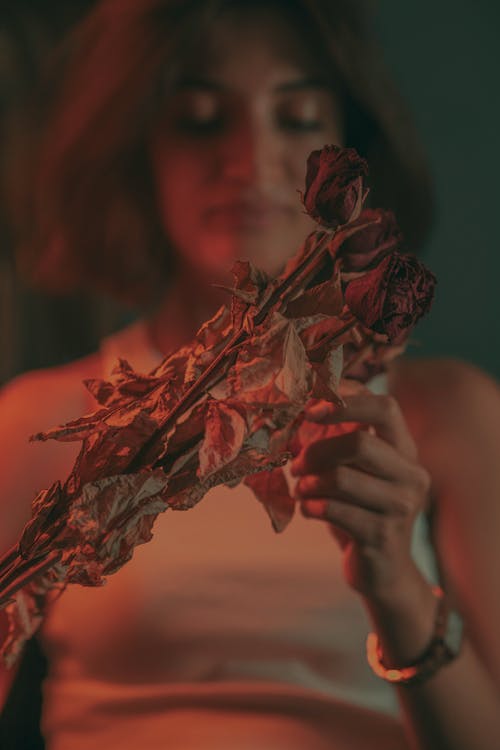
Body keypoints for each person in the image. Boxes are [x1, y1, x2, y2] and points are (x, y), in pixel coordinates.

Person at [1, 1, 499, 748]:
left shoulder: (445, 417)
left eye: (296, 118)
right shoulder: (31, 425)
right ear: (139, 147)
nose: (252, 161)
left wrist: (395, 583)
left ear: (351, 151)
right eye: (200, 118)